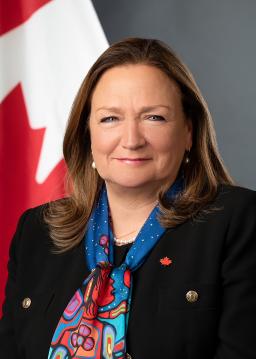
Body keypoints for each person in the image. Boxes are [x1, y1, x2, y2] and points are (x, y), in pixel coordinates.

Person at [0, 37, 255, 359]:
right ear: (87, 134)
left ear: (189, 132)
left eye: (154, 117)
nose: (132, 140)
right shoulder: (37, 231)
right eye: (110, 118)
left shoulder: (239, 222)